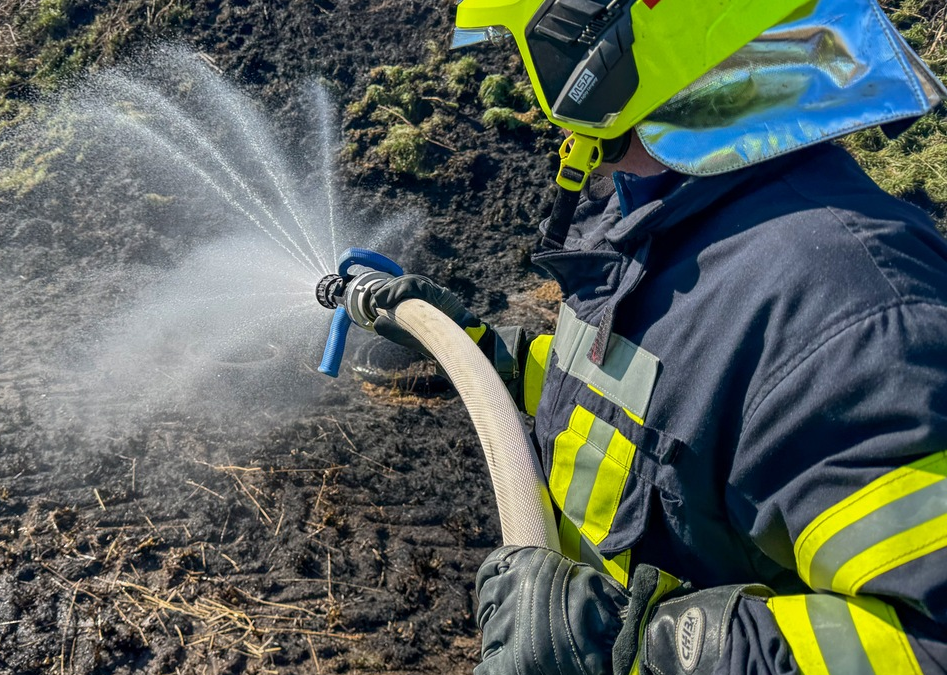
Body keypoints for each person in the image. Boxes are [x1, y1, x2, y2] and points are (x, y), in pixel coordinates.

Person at [369, 1, 947, 673]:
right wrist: (483, 357)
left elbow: (931, 639)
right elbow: (655, 404)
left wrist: (633, 645)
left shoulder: (854, 315)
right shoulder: (672, 222)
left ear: (594, 49)